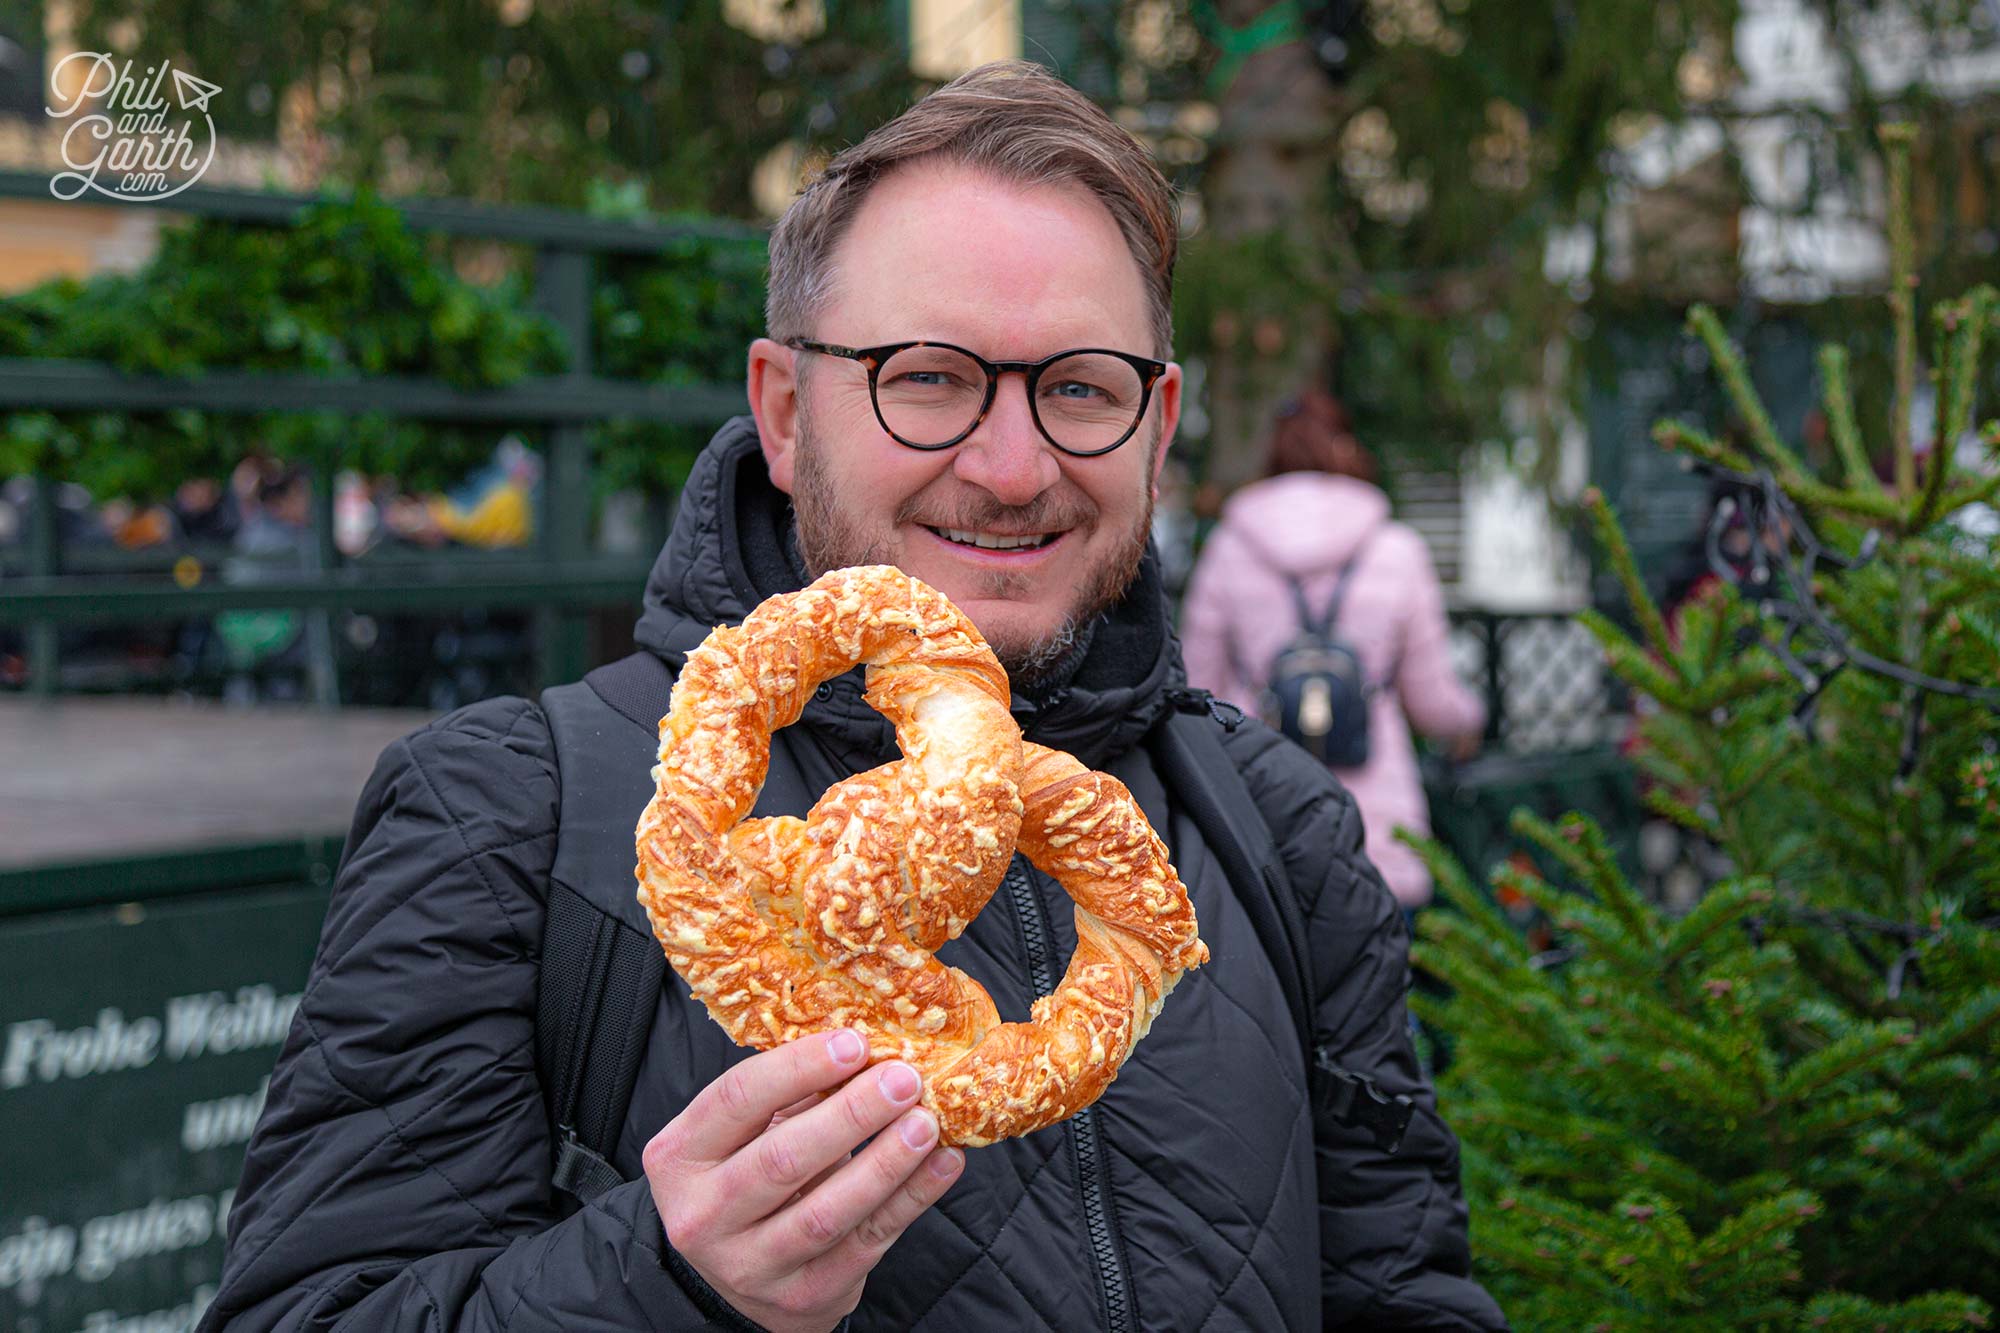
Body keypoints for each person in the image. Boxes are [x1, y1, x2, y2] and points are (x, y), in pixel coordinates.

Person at [202, 63, 1504, 1332]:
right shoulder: (508, 814)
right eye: (927, 377)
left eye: (1079, 389)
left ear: (1157, 430)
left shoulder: (1277, 828)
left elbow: (1409, 1294)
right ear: (783, 408)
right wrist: (664, 1284)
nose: (1009, 466)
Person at [1180, 391, 1485, 910]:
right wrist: (1471, 721)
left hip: (1258, 817)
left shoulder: (1230, 549)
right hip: (1375, 834)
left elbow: (1194, 691)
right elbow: (1434, 704)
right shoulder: (1397, 550)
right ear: (1344, 448)